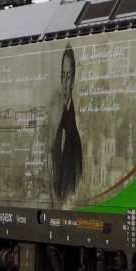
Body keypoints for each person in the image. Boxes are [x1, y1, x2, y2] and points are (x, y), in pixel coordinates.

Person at [51, 45, 83, 200]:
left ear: (73, 81)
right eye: (63, 76)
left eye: (68, 76)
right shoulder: (59, 122)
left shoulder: (74, 135)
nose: (65, 83)